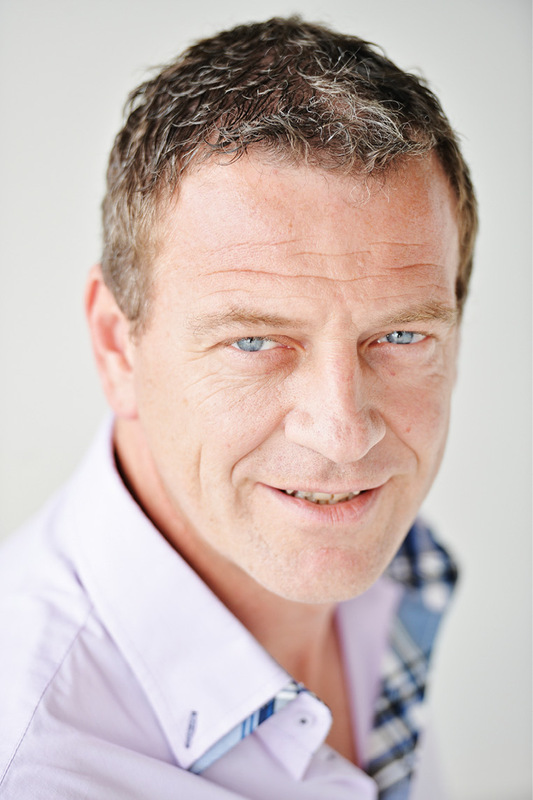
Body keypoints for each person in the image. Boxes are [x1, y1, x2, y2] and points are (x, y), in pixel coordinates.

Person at [0, 16, 477, 800]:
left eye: (399, 335)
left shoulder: (397, 578)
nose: (342, 433)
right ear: (117, 345)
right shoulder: (39, 767)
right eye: (254, 341)